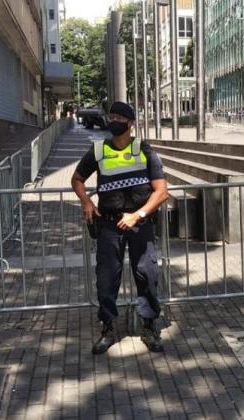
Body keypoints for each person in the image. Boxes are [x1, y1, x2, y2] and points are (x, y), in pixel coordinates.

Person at [71, 101, 169, 355]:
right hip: (109, 224)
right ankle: (108, 328)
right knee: (106, 277)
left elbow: (161, 192)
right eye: (110, 116)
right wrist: (86, 202)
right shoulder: (98, 150)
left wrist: (138, 215)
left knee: (147, 274)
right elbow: (77, 179)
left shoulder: (144, 149)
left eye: (118, 117)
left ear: (130, 122)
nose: (113, 120)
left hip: (140, 224)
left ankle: (149, 326)